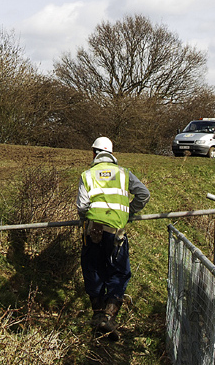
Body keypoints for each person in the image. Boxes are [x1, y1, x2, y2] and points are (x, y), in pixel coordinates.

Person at [76, 136, 150, 336]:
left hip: (92, 232)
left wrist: (87, 220)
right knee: (119, 273)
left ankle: (98, 316)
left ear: (94, 152)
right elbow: (144, 194)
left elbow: (82, 206)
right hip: (116, 233)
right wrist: (129, 211)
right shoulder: (124, 174)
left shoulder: (88, 174)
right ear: (111, 153)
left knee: (93, 270)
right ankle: (108, 318)